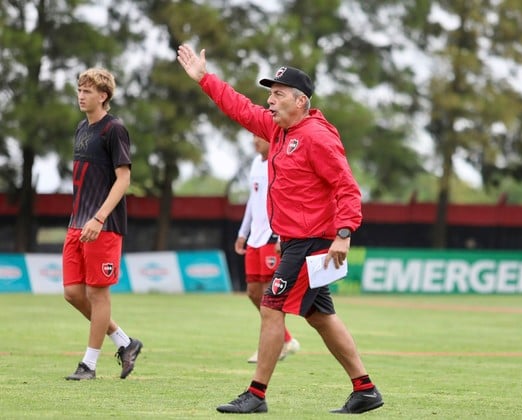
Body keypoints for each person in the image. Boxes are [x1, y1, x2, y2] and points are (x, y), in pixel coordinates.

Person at [177, 45, 384, 415]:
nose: (270, 100)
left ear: (301, 101)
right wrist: (205, 79)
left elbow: (347, 187)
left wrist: (344, 233)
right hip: (294, 241)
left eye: (278, 94)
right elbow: (239, 107)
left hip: (310, 241)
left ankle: (256, 394)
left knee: (271, 307)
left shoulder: (316, 136)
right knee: (320, 316)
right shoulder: (277, 130)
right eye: (270, 94)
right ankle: (365, 389)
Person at [62, 68, 143, 380]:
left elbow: (124, 179)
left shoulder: (114, 129)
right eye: (79, 89)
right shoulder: (81, 128)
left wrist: (99, 217)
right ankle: (124, 342)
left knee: (98, 295)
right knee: (72, 293)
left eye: (88, 91)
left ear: (103, 95)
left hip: (102, 226)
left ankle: (89, 365)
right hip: (77, 222)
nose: (81, 96)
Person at [235, 134, 300, 363]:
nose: (255, 140)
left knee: (270, 295)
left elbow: (287, 200)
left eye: (259, 136)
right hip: (255, 237)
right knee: (254, 292)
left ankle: (273, 345)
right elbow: (253, 201)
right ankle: (286, 339)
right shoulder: (256, 163)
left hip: (273, 235)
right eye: (252, 135)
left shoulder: (279, 162)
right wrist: (243, 232)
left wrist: (283, 235)